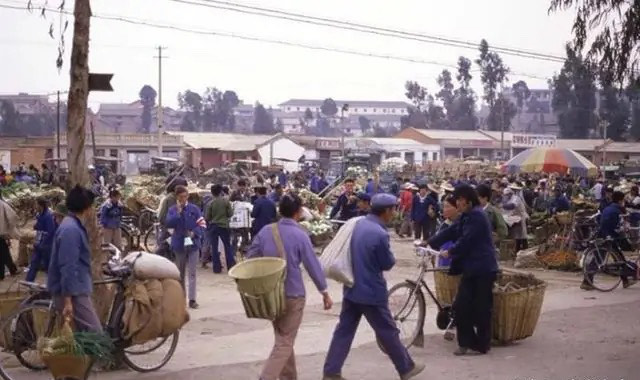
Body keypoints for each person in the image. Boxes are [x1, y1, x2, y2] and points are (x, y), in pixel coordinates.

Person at [323, 194, 425, 380]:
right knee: (388, 330)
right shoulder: (379, 233)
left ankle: (331, 371)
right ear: (386, 211)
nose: (394, 213)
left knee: (344, 330)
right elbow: (387, 263)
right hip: (371, 291)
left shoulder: (358, 224)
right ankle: (406, 367)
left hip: (352, 287)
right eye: (393, 210)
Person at [247, 194, 332, 380]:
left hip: (270, 295)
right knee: (285, 340)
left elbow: (250, 260)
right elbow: (312, 265)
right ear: (298, 211)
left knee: (283, 338)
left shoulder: (265, 232)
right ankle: (267, 377)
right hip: (293, 294)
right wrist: (324, 291)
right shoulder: (301, 235)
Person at [429, 185, 499, 355]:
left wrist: (451, 251)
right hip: (470, 268)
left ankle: (482, 344)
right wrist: (430, 242)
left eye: (460, 200)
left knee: (481, 308)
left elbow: (467, 240)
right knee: (461, 306)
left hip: (483, 268)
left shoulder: (477, 216)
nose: (457, 203)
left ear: (468, 200)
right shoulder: (466, 216)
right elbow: (452, 231)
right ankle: (467, 342)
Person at [48, 185, 102, 332]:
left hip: (76, 288)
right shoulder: (71, 230)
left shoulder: (71, 225)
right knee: (96, 334)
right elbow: (68, 267)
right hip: (73, 292)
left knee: (82, 335)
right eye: (91, 207)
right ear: (86, 208)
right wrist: (68, 301)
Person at [582, 191, 638, 290]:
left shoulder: (608, 208)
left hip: (605, 237)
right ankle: (587, 282)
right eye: (623, 200)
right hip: (608, 238)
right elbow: (615, 226)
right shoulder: (616, 211)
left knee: (617, 259)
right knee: (604, 260)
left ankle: (625, 280)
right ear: (620, 200)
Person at [166, 185, 206, 309]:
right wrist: (177, 213)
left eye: (185, 196)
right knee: (180, 273)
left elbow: (202, 224)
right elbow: (169, 223)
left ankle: (192, 299)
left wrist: (195, 232)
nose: (183, 199)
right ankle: (180, 298)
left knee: (192, 272)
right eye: (181, 197)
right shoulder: (173, 210)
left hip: (193, 244)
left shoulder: (194, 209)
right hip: (179, 244)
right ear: (177, 197)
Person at [205, 184, 235, 274]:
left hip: (213, 226)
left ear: (212, 192)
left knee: (214, 248)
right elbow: (230, 214)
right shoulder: (226, 201)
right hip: (224, 226)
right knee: (227, 246)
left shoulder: (210, 203)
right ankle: (230, 267)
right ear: (221, 191)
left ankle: (216, 268)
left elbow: (207, 217)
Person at [26, 197, 56, 282]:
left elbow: (51, 231)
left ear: (41, 205)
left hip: (46, 244)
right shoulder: (40, 215)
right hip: (39, 243)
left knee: (47, 265)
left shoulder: (48, 216)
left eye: (36, 205)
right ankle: (28, 282)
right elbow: (39, 227)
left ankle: (51, 284)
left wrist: (44, 243)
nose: (35, 207)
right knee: (34, 263)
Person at [435, 195, 459, 267]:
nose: (444, 209)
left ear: (457, 208)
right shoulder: (444, 224)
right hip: (443, 263)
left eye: (447, 207)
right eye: (444, 206)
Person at [502, 187, 529, 253]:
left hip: (521, 217)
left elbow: (512, 206)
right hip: (515, 218)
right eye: (505, 195)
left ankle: (525, 249)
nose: (506, 196)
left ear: (510, 194)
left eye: (507, 195)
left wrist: (503, 206)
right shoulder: (508, 199)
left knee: (522, 235)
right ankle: (518, 250)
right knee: (517, 235)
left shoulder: (515, 198)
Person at [0, 194, 18, 280]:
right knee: (4, 252)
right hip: (1, 233)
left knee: (3, 252)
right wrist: (9, 229)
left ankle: (10, 270)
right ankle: (11, 269)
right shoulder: (2, 204)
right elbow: (13, 216)